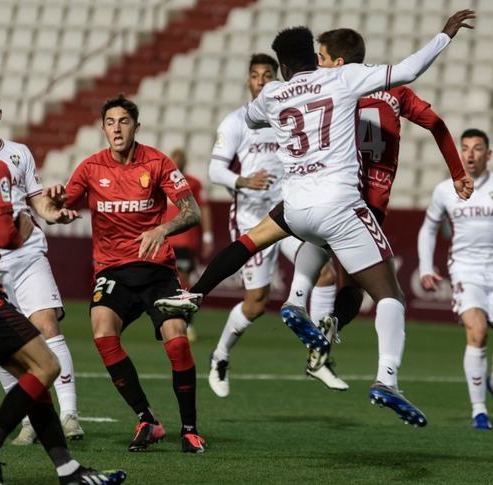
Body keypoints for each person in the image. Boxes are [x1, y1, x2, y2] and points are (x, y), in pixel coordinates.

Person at [156, 10, 476, 427]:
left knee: (250, 240)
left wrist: (272, 99)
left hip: (295, 208)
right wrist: (444, 35)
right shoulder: (341, 79)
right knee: (389, 295)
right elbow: (411, 69)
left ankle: (195, 294)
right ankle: (387, 379)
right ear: (313, 56)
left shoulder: (272, 94)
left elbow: (249, 117)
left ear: (283, 67)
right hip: (340, 206)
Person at [283, 28, 473, 390]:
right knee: (371, 289)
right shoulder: (395, 92)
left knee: (324, 251)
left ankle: (302, 304)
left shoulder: (329, 85)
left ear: (337, 61)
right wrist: (458, 173)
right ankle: (341, 333)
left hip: (330, 191)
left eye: (322, 57)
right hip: (371, 201)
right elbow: (436, 124)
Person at [0, 86, 126, 485]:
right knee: (46, 364)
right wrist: (21, 226)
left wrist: (46, 212)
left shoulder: (1, 160)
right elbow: (5, 235)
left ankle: (67, 470)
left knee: (30, 375)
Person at [50, 95, 206, 453]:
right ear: (103, 128)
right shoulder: (90, 167)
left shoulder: (157, 161)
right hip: (112, 270)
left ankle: (190, 428)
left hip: (157, 270)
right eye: (110, 122)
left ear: (137, 126)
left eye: (123, 121)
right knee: (102, 330)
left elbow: (192, 211)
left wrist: (161, 230)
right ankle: (146, 419)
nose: (117, 128)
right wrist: (57, 205)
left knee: (178, 338)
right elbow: (60, 208)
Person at [205, 53, 336, 397]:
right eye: (255, 75)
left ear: (278, 78)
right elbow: (215, 171)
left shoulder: (290, 116)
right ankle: (219, 355)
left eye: (268, 74)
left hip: (288, 215)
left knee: (325, 273)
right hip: (252, 220)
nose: (261, 80)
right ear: (248, 81)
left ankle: (319, 353)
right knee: (257, 302)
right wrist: (244, 182)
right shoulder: (236, 122)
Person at [417, 128, 493, 430]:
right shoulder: (445, 190)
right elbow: (428, 229)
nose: (470, 154)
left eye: (477, 148)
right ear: (459, 153)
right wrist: (425, 266)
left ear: (489, 154)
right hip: (465, 270)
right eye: (465, 148)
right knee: (477, 331)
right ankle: (479, 412)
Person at [0, 136, 85, 446]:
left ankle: (69, 413)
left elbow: (38, 202)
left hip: (27, 254)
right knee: (4, 346)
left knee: (46, 325)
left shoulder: (19, 153)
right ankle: (31, 420)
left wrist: (53, 214)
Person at [164, 148, 215, 342]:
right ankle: (168, 323)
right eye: (175, 159)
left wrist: (208, 237)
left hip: (185, 240)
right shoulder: (161, 182)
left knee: (183, 283)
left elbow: (204, 209)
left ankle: (188, 323)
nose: (178, 163)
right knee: (166, 283)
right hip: (165, 240)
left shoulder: (193, 184)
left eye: (181, 159)